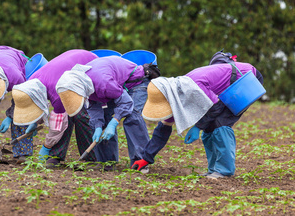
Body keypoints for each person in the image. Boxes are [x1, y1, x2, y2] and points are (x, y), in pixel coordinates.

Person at [132, 51, 264, 179]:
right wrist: (146, 158)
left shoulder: (192, 86)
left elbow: (215, 107)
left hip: (246, 79)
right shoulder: (174, 98)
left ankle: (224, 171)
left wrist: (197, 127)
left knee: (219, 123)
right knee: (209, 126)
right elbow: (162, 131)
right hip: (226, 90)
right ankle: (213, 169)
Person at [55, 55, 161, 171]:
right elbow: (94, 107)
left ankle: (140, 161)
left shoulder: (103, 83)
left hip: (136, 82)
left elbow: (127, 103)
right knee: (103, 120)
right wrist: (98, 126)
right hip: (116, 85)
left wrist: (114, 121)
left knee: (132, 116)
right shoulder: (84, 85)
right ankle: (107, 162)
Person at [11, 49, 99, 168]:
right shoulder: (33, 81)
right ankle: (56, 156)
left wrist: (46, 147)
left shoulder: (57, 94)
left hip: (89, 66)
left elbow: (57, 127)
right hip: (71, 61)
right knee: (66, 115)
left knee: (79, 116)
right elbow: (40, 102)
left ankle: (91, 159)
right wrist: (36, 122)